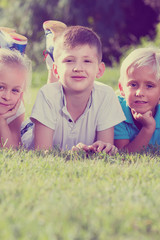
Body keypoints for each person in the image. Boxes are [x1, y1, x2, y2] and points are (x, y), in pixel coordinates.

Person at [22, 26, 125, 154]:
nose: (78, 68)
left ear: (99, 70)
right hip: (27, 131)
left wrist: (102, 149)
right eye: (69, 60)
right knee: (15, 109)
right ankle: (15, 51)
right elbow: (42, 152)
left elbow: (104, 148)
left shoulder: (106, 95)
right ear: (56, 70)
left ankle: (53, 46)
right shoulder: (47, 95)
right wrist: (71, 154)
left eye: (87, 61)